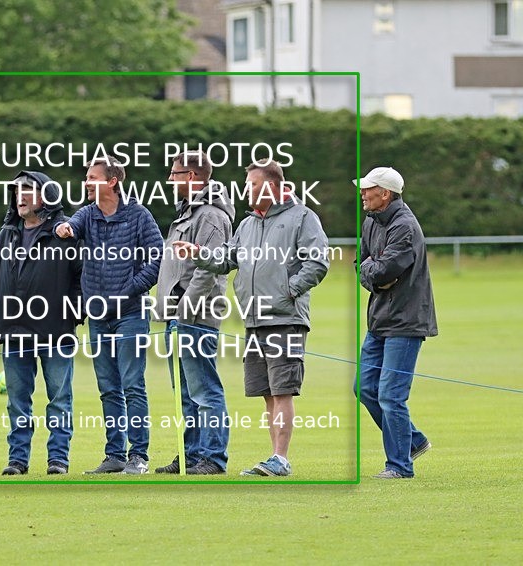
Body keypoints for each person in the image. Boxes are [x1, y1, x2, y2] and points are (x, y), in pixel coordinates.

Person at [174, 160, 329, 476]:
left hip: (285, 318)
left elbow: (317, 262)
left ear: (270, 186)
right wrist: (197, 253)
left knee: (282, 390)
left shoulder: (302, 217)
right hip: (254, 320)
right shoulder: (247, 224)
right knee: (268, 393)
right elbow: (226, 259)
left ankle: (281, 458)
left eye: (252, 184)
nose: (247, 190)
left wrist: (289, 291)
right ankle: (275, 458)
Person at [56, 155, 163, 474]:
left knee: (132, 384)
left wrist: (131, 288)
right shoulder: (87, 213)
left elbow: (158, 258)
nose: (86, 183)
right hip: (98, 316)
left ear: (112, 181)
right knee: (108, 387)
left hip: (131, 313)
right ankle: (115, 454)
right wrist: (64, 228)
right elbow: (72, 226)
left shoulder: (139, 215)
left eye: (93, 178)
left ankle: (138, 456)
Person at [0, 171, 82, 476]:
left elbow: (80, 277)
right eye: (17, 191)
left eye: (28, 190)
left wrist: (73, 313)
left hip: (55, 332)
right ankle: (17, 460)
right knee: (17, 402)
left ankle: (58, 459)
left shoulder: (64, 233)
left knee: (59, 399)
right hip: (13, 332)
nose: (21, 197)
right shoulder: (6, 234)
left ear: (47, 196)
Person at [353, 166, 438, 479]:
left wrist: (374, 271)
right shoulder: (371, 221)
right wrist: (372, 272)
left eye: (368, 189)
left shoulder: (405, 226)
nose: (362, 194)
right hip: (379, 320)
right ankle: (412, 440)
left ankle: (399, 466)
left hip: (406, 321)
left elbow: (384, 270)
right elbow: (361, 266)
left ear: (385, 194)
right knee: (364, 388)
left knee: (390, 395)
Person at [153, 151, 234, 475]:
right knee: (185, 392)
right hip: (177, 317)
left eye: (175, 173)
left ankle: (213, 458)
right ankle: (190, 455)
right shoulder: (188, 211)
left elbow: (208, 269)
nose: (170, 179)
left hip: (196, 317)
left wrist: (185, 310)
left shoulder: (210, 215)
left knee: (204, 390)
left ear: (192, 176)